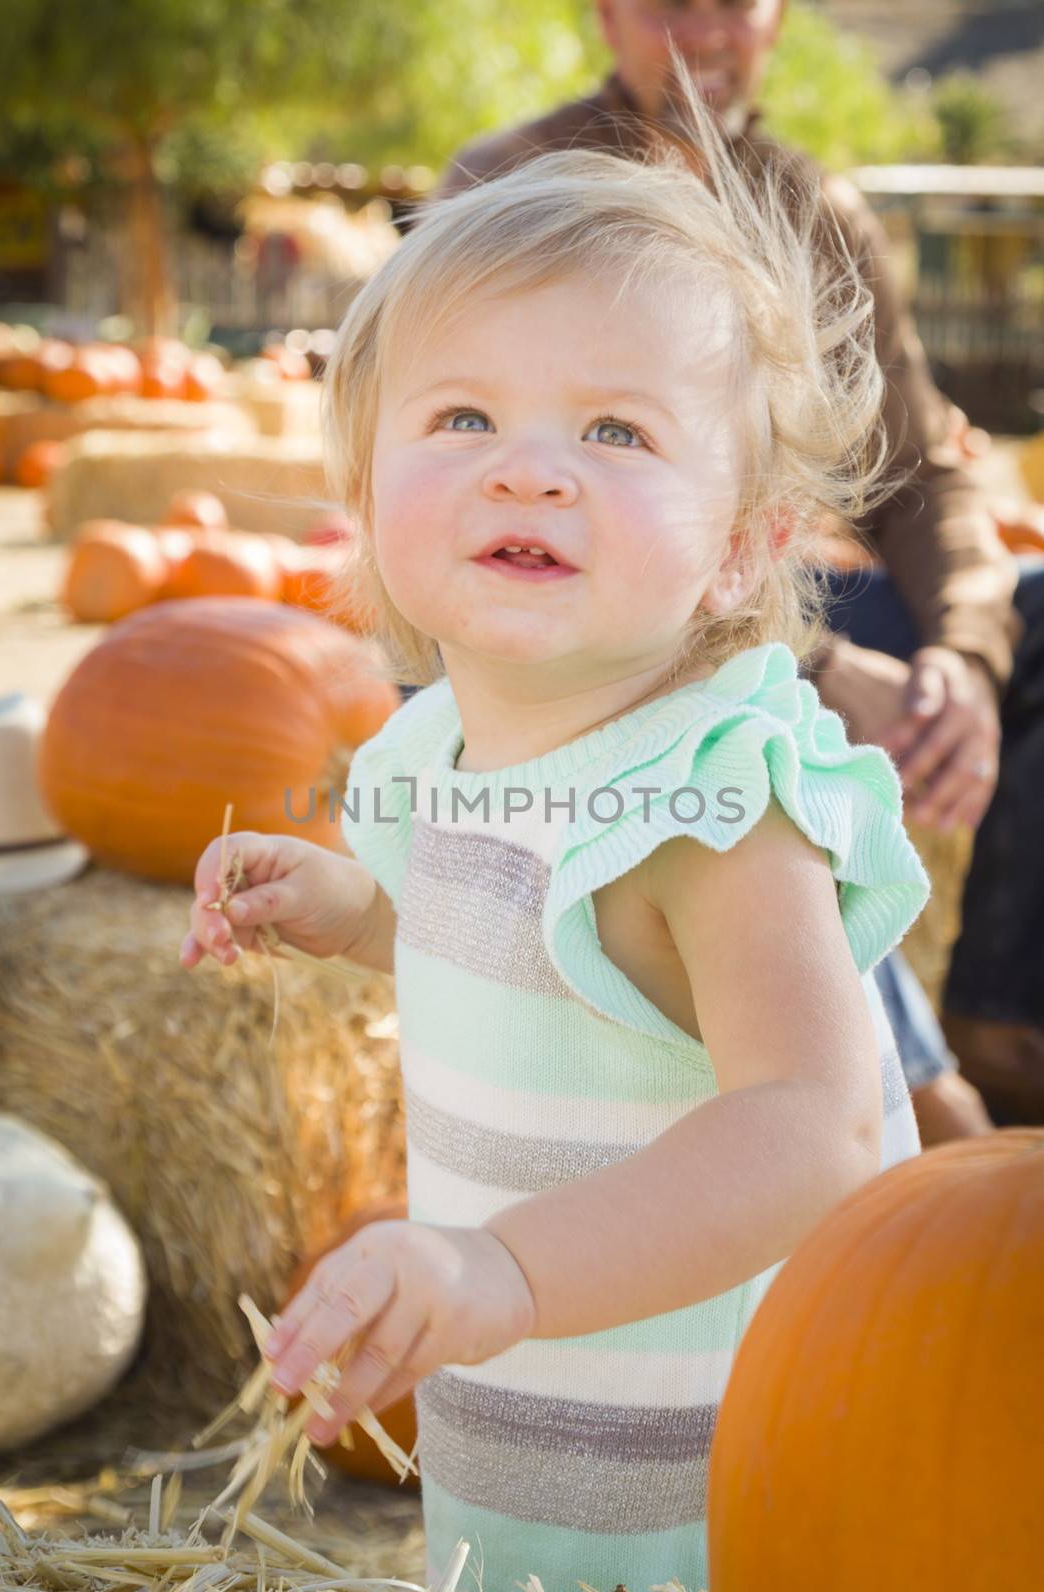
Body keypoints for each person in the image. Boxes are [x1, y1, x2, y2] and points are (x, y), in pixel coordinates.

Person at [181, 72, 930, 1592]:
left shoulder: (712, 798)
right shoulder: (433, 747)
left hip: (719, 1494)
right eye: (463, 417)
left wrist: (497, 1269)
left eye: (613, 429)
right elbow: (520, 938)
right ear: (363, 486)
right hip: (521, 1451)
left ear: (743, 544)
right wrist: (347, 904)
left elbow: (811, 1119)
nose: (528, 467)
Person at [428, 0, 1044, 1132]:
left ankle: (1003, 1020)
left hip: (754, 594)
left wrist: (962, 657)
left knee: (1033, 611)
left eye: (733, 2)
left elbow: (915, 471)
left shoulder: (814, 209)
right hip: (586, 627)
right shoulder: (517, 188)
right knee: (732, 744)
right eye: (669, 1)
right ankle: (906, 1087)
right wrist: (811, 662)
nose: (703, 30)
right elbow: (555, 521)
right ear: (606, 16)